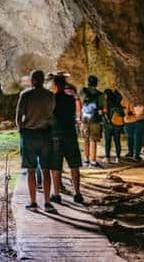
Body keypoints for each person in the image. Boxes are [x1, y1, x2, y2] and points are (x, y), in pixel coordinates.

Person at [15, 70, 57, 212]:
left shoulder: (26, 95)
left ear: (32, 80)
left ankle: (33, 202)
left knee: (31, 170)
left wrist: (22, 131)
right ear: (43, 80)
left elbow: (19, 116)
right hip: (46, 135)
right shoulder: (50, 96)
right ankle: (47, 202)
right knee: (46, 170)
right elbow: (52, 115)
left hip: (30, 135)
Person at [47, 73, 84, 204]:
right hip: (70, 134)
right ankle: (77, 193)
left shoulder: (52, 99)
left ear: (55, 85)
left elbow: (49, 117)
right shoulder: (70, 99)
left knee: (55, 166)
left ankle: (56, 194)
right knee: (74, 165)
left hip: (56, 135)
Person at [79, 75, 104, 167]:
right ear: (96, 83)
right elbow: (104, 109)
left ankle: (86, 160)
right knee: (93, 140)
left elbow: (79, 103)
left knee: (85, 139)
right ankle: (93, 161)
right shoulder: (100, 95)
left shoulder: (82, 92)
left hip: (84, 119)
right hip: (95, 119)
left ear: (88, 82)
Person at [103, 86, 125, 163]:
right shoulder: (117, 102)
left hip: (108, 125)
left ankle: (107, 157)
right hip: (117, 125)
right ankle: (118, 157)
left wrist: (106, 121)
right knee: (117, 141)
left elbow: (105, 113)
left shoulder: (106, 103)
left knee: (107, 142)